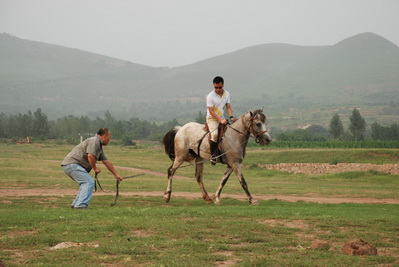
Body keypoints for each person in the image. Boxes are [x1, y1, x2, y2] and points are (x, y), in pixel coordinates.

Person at [61, 128, 122, 209]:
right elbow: (90, 156)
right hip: (72, 164)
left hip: (71, 165)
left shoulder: (98, 146)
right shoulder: (95, 141)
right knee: (88, 182)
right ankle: (80, 205)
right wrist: (95, 168)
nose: (110, 139)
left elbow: (106, 162)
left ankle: (76, 204)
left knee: (86, 183)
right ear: (104, 136)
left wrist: (116, 174)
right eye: (109, 137)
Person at [206, 76, 235, 164]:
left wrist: (231, 117)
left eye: (220, 87)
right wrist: (220, 120)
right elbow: (211, 111)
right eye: (216, 87)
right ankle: (213, 156)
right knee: (214, 135)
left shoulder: (227, 94)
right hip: (212, 119)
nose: (218, 89)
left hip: (222, 118)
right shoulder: (210, 96)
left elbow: (228, 107)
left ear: (223, 85)